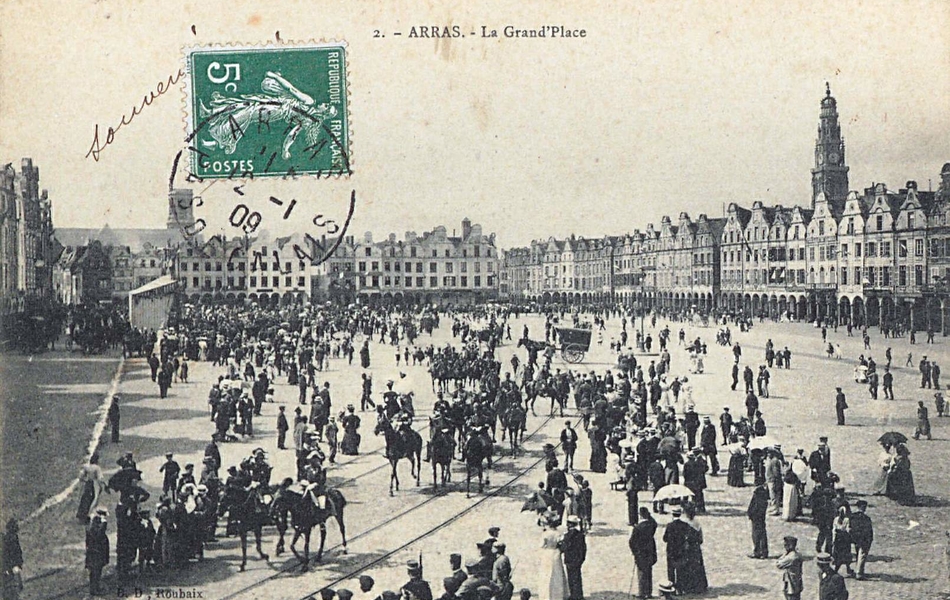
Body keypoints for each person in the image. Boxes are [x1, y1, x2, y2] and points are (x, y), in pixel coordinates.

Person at [628, 507, 657, 600]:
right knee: (649, 571)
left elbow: (631, 541)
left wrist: (634, 552)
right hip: (650, 551)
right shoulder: (651, 525)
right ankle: (648, 592)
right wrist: (649, 516)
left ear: (640, 515)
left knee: (641, 572)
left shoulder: (637, 528)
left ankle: (642, 592)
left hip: (640, 553)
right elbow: (655, 523)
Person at [537, 511, 568, 600]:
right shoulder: (558, 533)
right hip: (556, 552)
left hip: (547, 553)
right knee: (557, 573)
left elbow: (542, 545)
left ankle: (546, 595)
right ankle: (558, 594)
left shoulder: (545, 534)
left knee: (547, 573)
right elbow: (562, 544)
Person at [663, 506, 692, 591]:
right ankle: (681, 588)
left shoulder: (669, 525)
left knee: (671, 570)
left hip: (671, 550)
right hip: (681, 550)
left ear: (673, 514)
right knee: (681, 570)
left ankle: (671, 587)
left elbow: (665, 538)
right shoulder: (685, 525)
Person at [681, 504, 708, 594]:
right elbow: (701, 538)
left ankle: (689, 585)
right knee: (697, 566)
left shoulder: (685, 523)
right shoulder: (697, 523)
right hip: (696, 548)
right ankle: (699, 585)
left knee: (688, 566)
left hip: (688, 548)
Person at [560, 516, 586, 600]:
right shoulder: (580, 535)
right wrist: (582, 558)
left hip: (570, 559)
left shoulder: (567, 536)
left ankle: (574, 595)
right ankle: (579, 594)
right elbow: (584, 548)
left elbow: (564, 548)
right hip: (578, 559)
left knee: (571, 578)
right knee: (577, 577)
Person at [85, 508, 110, 596]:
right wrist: (103, 524)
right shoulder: (93, 526)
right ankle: (94, 590)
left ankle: (96, 588)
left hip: (96, 552)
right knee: (95, 571)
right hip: (95, 552)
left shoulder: (92, 524)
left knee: (97, 571)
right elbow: (99, 535)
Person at [77, 453, 106, 523]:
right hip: (94, 484)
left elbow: (80, 476)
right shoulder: (97, 468)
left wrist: (85, 480)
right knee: (93, 499)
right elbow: (100, 478)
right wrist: (104, 484)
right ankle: (88, 515)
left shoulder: (87, 467)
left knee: (85, 498)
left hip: (87, 484)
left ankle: (81, 515)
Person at [849, 500, 873, 580]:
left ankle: (857, 570)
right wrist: (870, 539)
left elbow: (850, 527)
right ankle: (859, 573)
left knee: (857, 554)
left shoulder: (853, 516)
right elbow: (868, 530)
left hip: (855, 538)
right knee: (862, 555)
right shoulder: (866, 518)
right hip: (864, 539)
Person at [776, 535, 804, 600]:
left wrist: (785, 554)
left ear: (790, 546)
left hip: (791, 584)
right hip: (796, 582)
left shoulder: (791, 557)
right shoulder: (797, 554)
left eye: (786, 545)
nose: (784, 547)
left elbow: (778, 564)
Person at [2, 519, 24, 600]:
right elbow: (14, 553)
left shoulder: (7, 538)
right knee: (13, 589)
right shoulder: (10, 538)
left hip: (11, 568)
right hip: (12, 568)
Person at [747, 482, 770, 559]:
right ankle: (763, 551)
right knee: (762, 534)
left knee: (756, 535)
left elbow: (754, 507)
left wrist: (751, 514)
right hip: (760, 518)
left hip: (757, 518)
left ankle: (758, 552)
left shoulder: (758, 494)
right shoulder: (762, 496)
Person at [831, 506, 855, 577]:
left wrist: (833, 539)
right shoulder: (847, 519)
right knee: (845, 554)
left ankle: (846, 568)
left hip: (838, 539)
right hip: (844, 539)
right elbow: (848, 529)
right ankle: (840, 569)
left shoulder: (836, 519)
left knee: (839, 555)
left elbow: (834, 530)